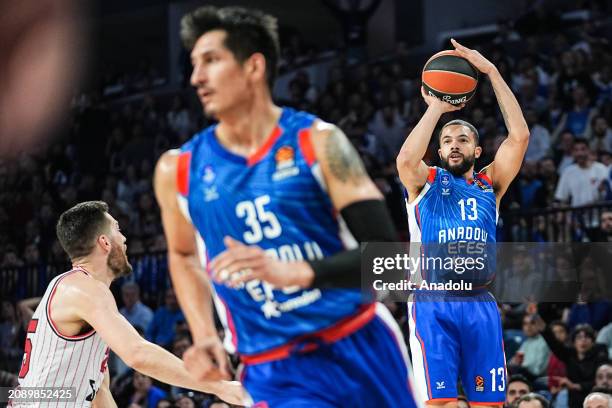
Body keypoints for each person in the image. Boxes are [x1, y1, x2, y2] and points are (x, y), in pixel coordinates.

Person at [154, 5, 417, 407]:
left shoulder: (321, 142)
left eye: (211, 61)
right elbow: (183, 253)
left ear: (253, 67)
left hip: (359, 342)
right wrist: (205, 335)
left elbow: (390, 261)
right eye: (194, 64)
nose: (196, 78)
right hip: (275, 370)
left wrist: (295, 272)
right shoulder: (178, 169)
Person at [397, 38, 530, 407]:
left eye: (463, 139)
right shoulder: (425, 183)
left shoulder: (491, 185)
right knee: (440, 403)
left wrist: (491, 71)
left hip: (480, 304)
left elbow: (519, 137)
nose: (454, 144)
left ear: (476, 150)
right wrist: (436, 110)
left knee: (490, 404)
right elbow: (406, 160)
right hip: (431, 302)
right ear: (439, 152)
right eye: (447, 141)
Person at [11, 201, 244, 407]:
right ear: (104, 242)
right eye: (117, 230)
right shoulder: (83, 288)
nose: (123, 238)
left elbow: (97, 392)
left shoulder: (84, 294)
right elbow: (138, 354)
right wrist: (220, 387)